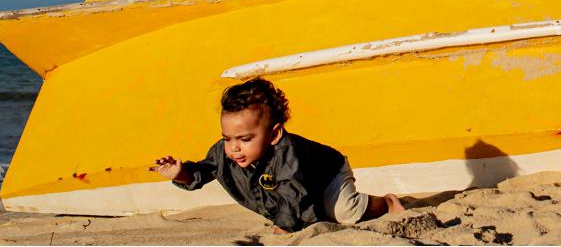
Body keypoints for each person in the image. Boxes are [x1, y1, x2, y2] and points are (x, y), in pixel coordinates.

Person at [150, 78, 403, 233]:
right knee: (314, 215)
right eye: (227, 138)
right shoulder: (224, 152)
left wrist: (282, 229)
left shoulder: (287, 153)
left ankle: (387, 203)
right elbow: (203, 172)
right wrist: (181, 174)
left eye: (245, 139)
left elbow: (292, 193)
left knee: (345, 213)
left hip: (327, 174)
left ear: (274, 134)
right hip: (301, 188)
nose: (234, 147)